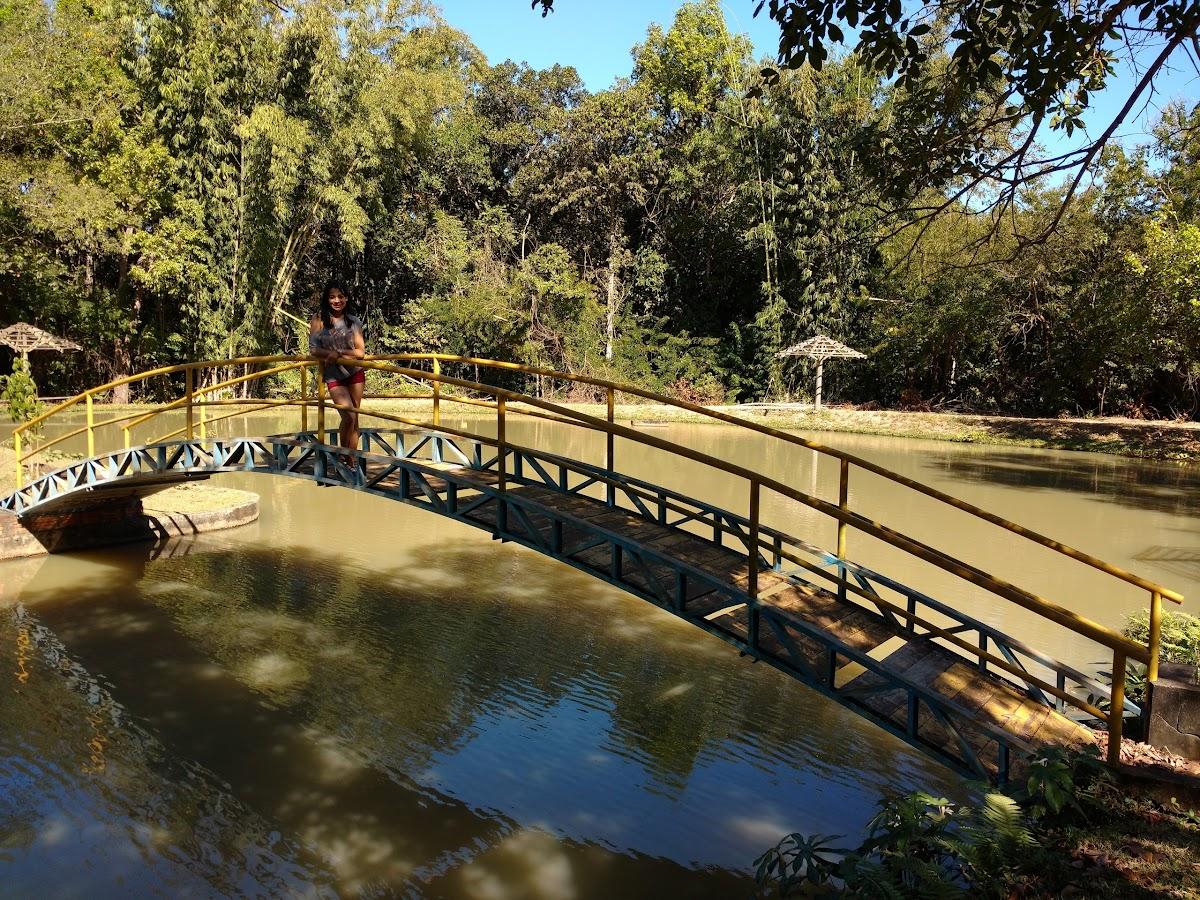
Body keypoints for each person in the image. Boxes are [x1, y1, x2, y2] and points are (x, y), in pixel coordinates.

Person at [309, 279, 366, 460]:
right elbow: (313, 350)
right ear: (327, 299)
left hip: (355, 373)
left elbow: (360, 352)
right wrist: (330, 354)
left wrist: (339, 352)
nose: (337, 300)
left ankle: (351, 460)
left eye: (340, 296)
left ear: (346, 298)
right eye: (332, 297)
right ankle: (343, 454)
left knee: (355, 418)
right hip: (334, 375)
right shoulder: (319, 319)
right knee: (349, 416)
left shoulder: (353, 321)